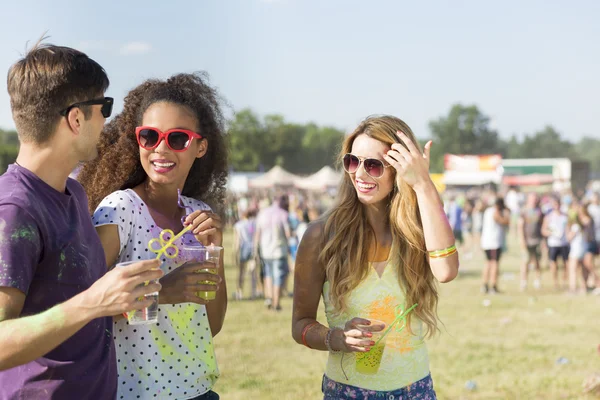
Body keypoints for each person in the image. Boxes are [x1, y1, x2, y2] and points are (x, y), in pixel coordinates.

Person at [0, 42, 162, 398]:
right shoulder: (13, 211)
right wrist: (95, 300)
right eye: (103, 107)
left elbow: (71, 305)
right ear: (75, 118)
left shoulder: (74, 194)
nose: (106, 121)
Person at [78, 73, 228, 399]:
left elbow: (211, 326)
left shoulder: (198, 214)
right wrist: (165, 291)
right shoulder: (120, 209)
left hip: (199, 391)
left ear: (200, 146)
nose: (160, 148)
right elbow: (84, 308)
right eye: (149, 136)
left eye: (177, 139)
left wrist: (216, 252)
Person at [292, 115, 458, 399]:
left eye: (373, 165)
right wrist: (336, 338)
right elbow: (300, 325)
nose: (359, 173)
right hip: (348, 391)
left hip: (415, 389)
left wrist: (423, 184)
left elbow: (445, 271)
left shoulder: (419, 228)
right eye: (352, 162)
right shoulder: (321, 235)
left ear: (398, 170)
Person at [255, 194, 291, 312]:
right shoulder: (283, 214)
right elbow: (288, 234)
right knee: (278, 277)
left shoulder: (262, 213)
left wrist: (256, 249)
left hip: (265, 250)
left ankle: (269, 298)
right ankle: (276, 303)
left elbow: (257, 234)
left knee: (268, 275)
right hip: (278, 250)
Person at [480, 197, 510, 294]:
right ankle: (493, 286)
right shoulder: (495, 211)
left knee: (488, 263)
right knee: (494, 264)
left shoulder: (488, 211)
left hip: (487, 242)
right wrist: (506, 213)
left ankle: (485, 285)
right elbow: (504, 221)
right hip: (494, 242)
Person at [542, 197, 570, 290]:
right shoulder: (549, 217)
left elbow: (568, 229)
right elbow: (543, 230)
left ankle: (564, 281)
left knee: (566, 263)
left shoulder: (564, 216)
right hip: (553, 243)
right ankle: (555, 282)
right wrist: (551, 233)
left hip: (564, 243)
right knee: (553, 263)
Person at [518, 193, 544, 291]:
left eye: (535, 199)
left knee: (537, 261)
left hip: (537, 240)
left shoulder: (539, 211)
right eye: (532, 199)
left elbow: (542, 224)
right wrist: (522, 239)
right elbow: (520, 226)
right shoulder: (524, 211)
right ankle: (524, 282)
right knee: (525, 261)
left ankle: (537, 281)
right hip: (527, 240)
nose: (533, 201)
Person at [233, 208, 259, 300]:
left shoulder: (238, 225)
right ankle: (253, 293)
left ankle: (239, 292)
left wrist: (235, 254)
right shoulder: (254, 224)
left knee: (241, 272)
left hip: (243, 249)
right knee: (253, 272)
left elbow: (237, 241)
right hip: (252, 249)